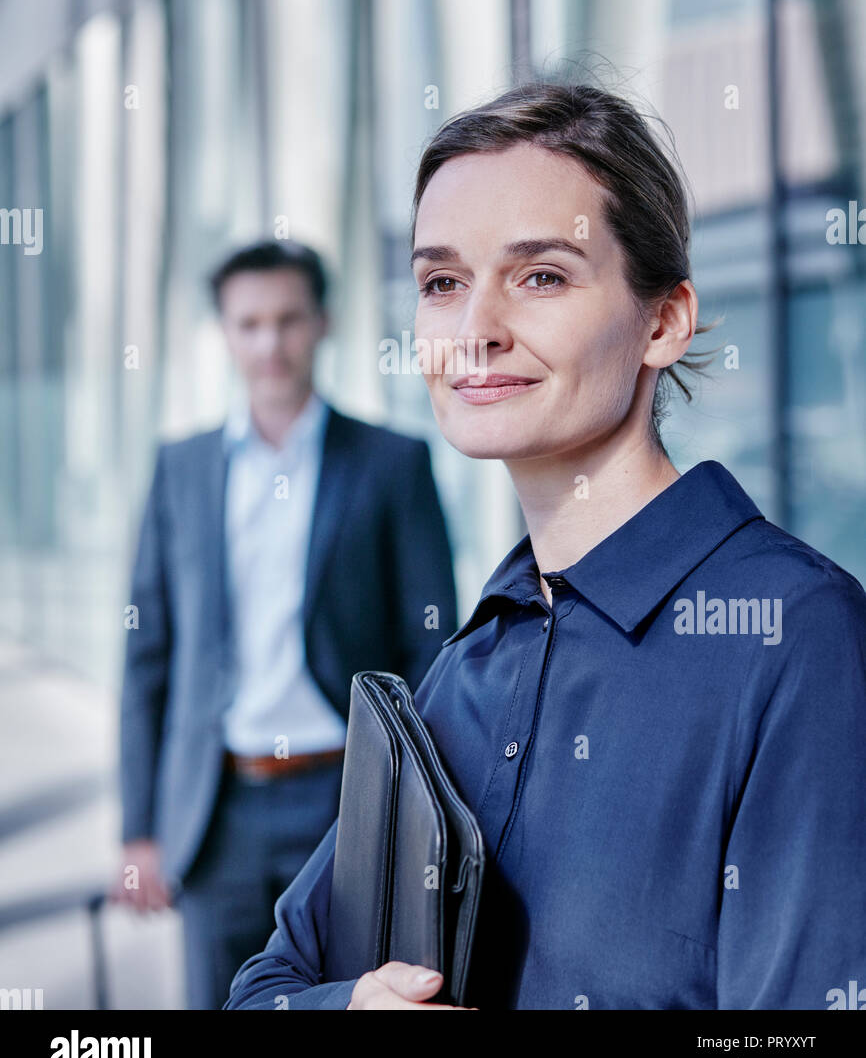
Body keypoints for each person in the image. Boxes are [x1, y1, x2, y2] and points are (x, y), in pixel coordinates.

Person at [224, 83, 866, 1011]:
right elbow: (264, 987)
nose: (475, 331)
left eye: (541, 276)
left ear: (664, 321)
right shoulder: (471, 663)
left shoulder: (798, 642)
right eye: (443, 282)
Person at [113, 239, 457, 1009]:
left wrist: (416, 807)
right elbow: (147, 657)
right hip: (215, 808)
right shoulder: (182, 468)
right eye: (250, 324)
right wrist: (138, 829)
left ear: (322, 323)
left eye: (288, 320)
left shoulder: (390, 462)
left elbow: (431, 645)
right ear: (227, 333)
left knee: (345, 999)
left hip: (342, 800)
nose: (270, 343)